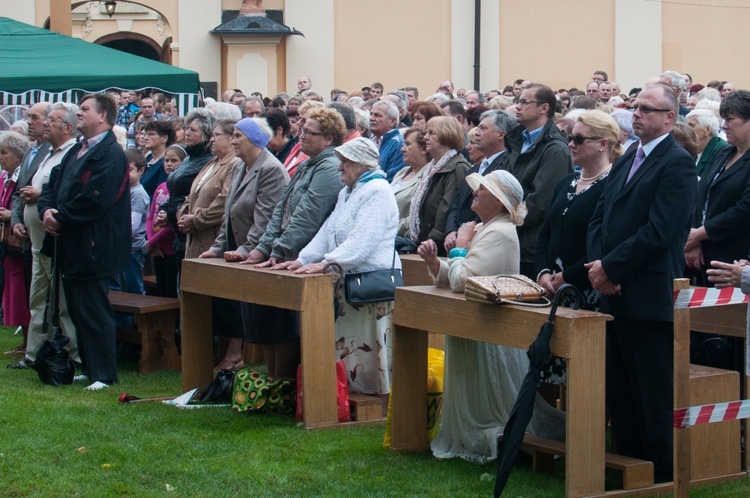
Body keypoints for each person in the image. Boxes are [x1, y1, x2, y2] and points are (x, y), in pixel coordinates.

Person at [586, 84, 698, 482]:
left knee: (652, 391)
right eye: (635, 108)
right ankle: (628, 468)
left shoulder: (677, 163)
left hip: (648, 292)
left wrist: (611, 268)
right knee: (621, 388)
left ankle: (662, 474)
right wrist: (600, 268)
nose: (637, 115)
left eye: (647, 109)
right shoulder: (629, 154)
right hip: (613, 289)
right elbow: (601, 216)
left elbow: (662, 231)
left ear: (670, 118)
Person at [417, 170, 564, 462]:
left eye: (481, 190)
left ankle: (503, 437)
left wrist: (460, 242)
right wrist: (435, 262)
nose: (474, 193)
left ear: (497, 201)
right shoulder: (487, 227)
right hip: (473, 320)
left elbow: (464, 281)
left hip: (489, 327)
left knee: (490, 397)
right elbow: (460, 273)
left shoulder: (500, 232)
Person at [275, 138, 399, 398]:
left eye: (345, 162)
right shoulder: (349, 190)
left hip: (369, 282)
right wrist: (304, 259)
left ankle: (371, 394)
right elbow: (328, 230)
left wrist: (327, 263)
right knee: (349, 342)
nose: (340, 167)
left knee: (365, 342)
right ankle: (347, 392)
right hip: (348, 280)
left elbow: (362, 242)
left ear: (361, 164)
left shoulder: (377, 190)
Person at [241, 108, 344, 380]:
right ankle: (274, 382)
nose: (302, 136)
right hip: (285, 253)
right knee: (270, 319)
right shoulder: (308, 163)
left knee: (285, 324)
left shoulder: (329, 167)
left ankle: (285, 385)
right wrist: (264, 247)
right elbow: (280, 209)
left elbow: (309, 215)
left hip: (302, 256)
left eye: (310, 132)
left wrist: (279, 251)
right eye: (303, 130)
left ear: (330, 139)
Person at [38, 93, 131, 391]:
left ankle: (104, 374)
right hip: (73, 243)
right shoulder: (77, 149)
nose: (79, 113)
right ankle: (90, 367)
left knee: (94, 309)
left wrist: (60, 216)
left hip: (96, 244)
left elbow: (96, 197)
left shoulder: (111, 154)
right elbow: (54, 183)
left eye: (86, 109)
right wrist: (47, 210)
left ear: (102, 116)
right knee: (78, 308)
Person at [10, 103, 80, 370]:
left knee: (59, 298)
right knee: (38, 296)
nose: (45, 123)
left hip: (55, 238)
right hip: (37, 240)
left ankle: (70, 355)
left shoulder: (72, 153)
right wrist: (21, 216)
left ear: (68, 127)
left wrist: (40, 197)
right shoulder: (46, 152)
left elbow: (63, 191)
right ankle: (34, 353)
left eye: (52, 119)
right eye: (46, 118)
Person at [536, 110, 621, 307]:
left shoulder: (614, 186)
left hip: (590, 290)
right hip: (552, 289)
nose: (571, 144)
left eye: (579, 139)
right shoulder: (566, 182)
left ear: (603, 144)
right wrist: (543, 272)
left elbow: (606, 241)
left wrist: (569, 275)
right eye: (571, 137)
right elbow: (546, 230)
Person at [504, 84, 573, 278]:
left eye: (524, 102)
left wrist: (503, 223)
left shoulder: (555, 149)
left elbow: (540, 202)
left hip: (530, 247)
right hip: (509, 239)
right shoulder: (516, 141)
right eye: (517, 101)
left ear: (544, 108)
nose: (518, 106)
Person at [444, 110, 515, 252]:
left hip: (483, 240)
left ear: (501, 135)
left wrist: (469, 230)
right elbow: (457, 202)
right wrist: (451, 230)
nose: (476, 132)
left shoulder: (507, 167)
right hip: (459, 238)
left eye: (483, 128)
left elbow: (492, 206)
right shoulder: (474, 169)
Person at [154, 109, 215, 266]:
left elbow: (195, 197)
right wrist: (165, 209)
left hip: (191, 229)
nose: (187, 133)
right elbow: (174, 190)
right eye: (186, 128)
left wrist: (171, 215)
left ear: (206, 135)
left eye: (193, 130)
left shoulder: (207, 162)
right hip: (178, 231)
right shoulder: (188, 159)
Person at [407, 116, 470, 254]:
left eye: (431, 133)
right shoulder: (432, 167)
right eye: (426, 133)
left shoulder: (458, 167)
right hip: (426, 240)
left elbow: (448, 206)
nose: (425, 138)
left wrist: (432, 239)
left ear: (447, 135)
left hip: (439, 245)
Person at [0, 131, 32, 354]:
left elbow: (22, 209)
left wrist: (10, 215)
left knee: (23, 294)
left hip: (18, 243)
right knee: (14, 293)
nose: (1, 157)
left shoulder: (21, 177)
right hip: (7, 245)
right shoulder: (5, 177)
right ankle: (24, 340)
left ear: (19, 156)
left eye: (4, 153)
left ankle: (30, 341)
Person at [146, 145, 185, 298]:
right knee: (159, 290)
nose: (169, 164)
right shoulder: (161, 187)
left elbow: (171, 222)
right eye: (166, 160)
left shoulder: (180, 189)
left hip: (169, 249)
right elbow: (151, 217)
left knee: (170, 291)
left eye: (174, 160)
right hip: (156, 247)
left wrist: (152, 241)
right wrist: (152, 242)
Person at [118, 148, 149, 296]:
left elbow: (132, 227)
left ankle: (133, 319)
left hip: (133, 250)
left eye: (129, 169)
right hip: (121, 248)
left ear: (141, 171)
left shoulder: (137, 194)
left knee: (132, 289)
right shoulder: (123, 189)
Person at [391, 128, 429, 238]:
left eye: (408, 144)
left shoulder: (428, 177)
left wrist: (388, 228)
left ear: (424, 149)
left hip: (401, 238)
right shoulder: (402, 172)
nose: (402, 149)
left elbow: (417, 217)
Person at [686, 109, 730, 177]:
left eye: (691, 126)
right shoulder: (690, 147)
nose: (686, 129)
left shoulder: (721, 151)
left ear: (707, 130)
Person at [140, 120, 176, 198]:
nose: (145, 138)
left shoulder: (166, 164)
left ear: (164, 138)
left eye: (151, 134)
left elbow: (160, 194)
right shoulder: (149, 158)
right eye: (145, 134)